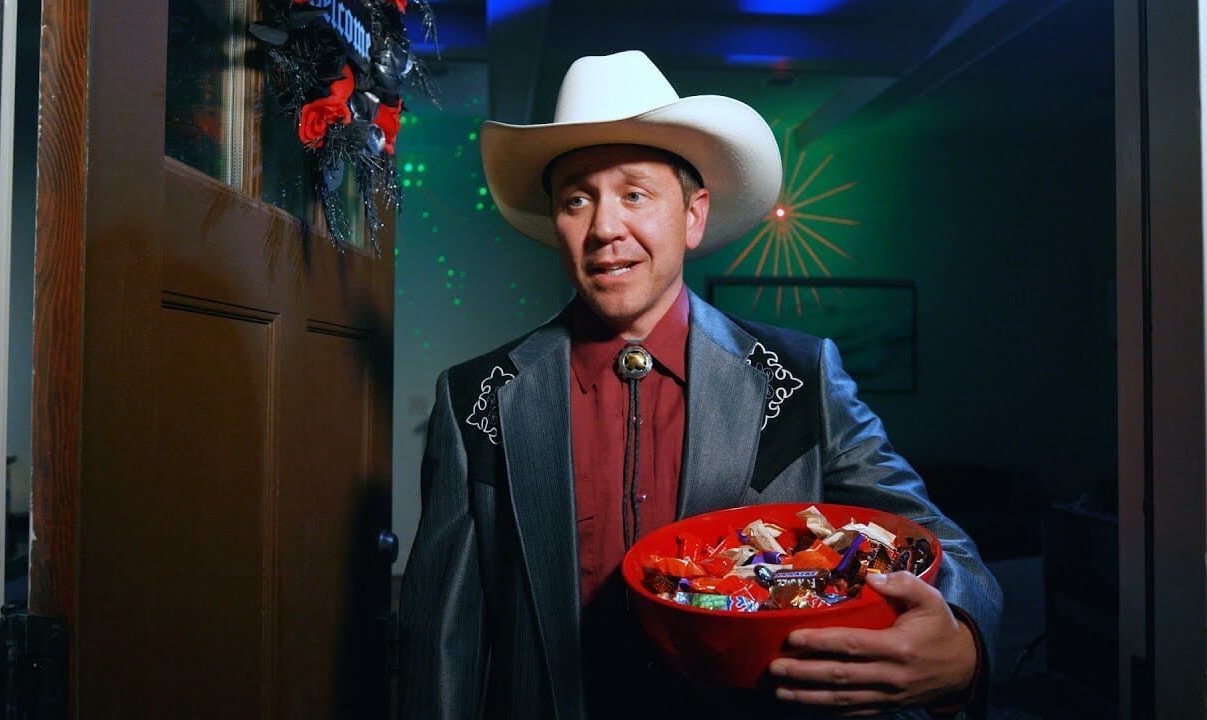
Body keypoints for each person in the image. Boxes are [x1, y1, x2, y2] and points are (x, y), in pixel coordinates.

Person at [398, 50, 1002, 719]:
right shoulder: (478, 396)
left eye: (634, 193)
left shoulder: (802, 375)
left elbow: (933, 542)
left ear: (692, 215)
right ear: (556, 224)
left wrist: (968, 644)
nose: (604, 227)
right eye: (577, 198)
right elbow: (440, 642)